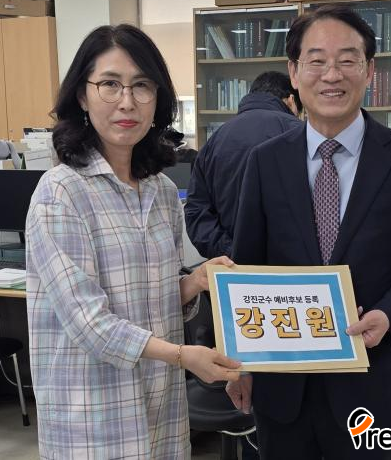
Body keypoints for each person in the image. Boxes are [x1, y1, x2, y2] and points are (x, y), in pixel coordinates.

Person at [226, 5, 391, 459]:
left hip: (371, 386)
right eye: (316, 60)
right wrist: (242, 364)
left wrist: (389, 314)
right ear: (294, 73)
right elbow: (247, 270)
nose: (332, 75)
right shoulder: (266, 161)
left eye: (347, 60)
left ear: (369, 71)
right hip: (283, 388)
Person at [25, 24, 241, 460]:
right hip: (93, 412)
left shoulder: (162, 192)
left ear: (158, 99)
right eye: (110, 84)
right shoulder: (61, 192)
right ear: (82, 96)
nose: (127, 102)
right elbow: (90, 324)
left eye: (142, 86)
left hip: (160, 405)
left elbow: (147, 299)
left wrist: (195, 282)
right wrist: (183, 356)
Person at [185, 71, 302, 259]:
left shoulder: (214, 140)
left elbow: (197, 212)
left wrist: (232, 253)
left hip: (231, 269)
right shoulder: (300, 133)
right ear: (291, 100)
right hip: (294, 269)